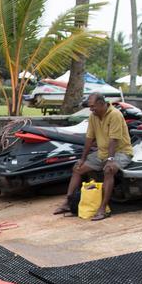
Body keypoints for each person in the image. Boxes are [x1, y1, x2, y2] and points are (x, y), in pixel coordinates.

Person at [52, 92, 133, 221]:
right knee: (77, 168)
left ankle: (103, 208)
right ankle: (68, 202)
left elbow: (114, 140)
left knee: (109, 170)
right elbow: (89, 138)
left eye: (93, 106)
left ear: (102, 104)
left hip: (121, 152)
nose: (91, 109)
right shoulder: (93, 116)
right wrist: (83, 159)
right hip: (102, 152)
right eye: (90, 106)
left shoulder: (115, 115)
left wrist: (111, 160)